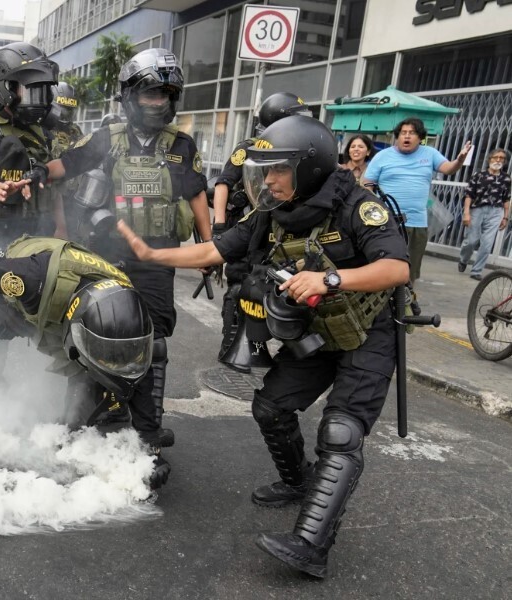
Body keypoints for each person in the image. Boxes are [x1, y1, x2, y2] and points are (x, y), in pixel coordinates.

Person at [117, 115, 411, 578]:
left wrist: (331, 278)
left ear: (309, 169)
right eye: (264, 170)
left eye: (277, 169)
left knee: (340, 431)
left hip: (369, 332)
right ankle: (298, 482)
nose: (267, 180)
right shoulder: (272, 211)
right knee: (271, 407)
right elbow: (218, 249)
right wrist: (156, 254)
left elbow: (396, 268)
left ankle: (310, 548)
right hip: (318, 333)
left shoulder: (359, 205)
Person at [41, 48, 212, 452]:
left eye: (165, 95)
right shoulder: (105, 139)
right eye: (150, 94)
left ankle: (147, 430)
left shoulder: (182, 146)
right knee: (93, 331)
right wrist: (33, 173)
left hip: (157, 259)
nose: (157, 103)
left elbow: (197, 194)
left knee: (152, 343)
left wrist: (209, 248)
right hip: (103, 258)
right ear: (130, 96)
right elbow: (65, 166)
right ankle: (76, 421)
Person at [0, 236, 170, 489]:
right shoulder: (31, 281)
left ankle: (79, 426)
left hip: (65, 316)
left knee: (75, 427)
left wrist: (150, 453)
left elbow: (138, 373)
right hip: (12, 303)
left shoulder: (129, 310)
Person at [212, 92, 312, 369]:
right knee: (239, 287)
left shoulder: (302, 149)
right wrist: (219, 226)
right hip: (249, 226)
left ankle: (270, 347)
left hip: (280, 230)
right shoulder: (249, 148)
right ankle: (237, 346)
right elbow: (222, 184)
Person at [0, 41, 59, 257]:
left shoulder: (42, 130)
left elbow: (52, 178)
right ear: (6, 88)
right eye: (30, 91)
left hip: (34, 223)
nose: (38, 100)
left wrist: (61, 227)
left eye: (42, 91)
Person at [363, 117, 471, 282]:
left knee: (409, 271)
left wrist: (460, 160)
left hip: (416, 223)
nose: (407, 136)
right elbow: (367, 185)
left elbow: (448, 169)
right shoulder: (382, 156)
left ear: (420, 137)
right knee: (381, 266)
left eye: (412, 133)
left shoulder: (430, 153)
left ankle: (404, 302)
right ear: (397, 136)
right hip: (386, 222)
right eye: (403, 133)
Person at [458, 148, 511, 280]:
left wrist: (505, 217)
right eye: (495, 157)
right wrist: (466, 213)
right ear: (489, 159)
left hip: (496, 211)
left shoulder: (506, 178)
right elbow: (469, 195)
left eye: (501, 158)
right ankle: (464, 259)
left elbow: (506, 199)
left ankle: (476, 271)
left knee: (487, 244)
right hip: (477, 210)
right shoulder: (479, 175)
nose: (498, 160)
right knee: (471, 241)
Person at [43, 81, 84, 239]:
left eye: (69, 112)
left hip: (73, 195)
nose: (65, 117)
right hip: (50, 196)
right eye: (62, 111)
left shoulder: (75, 131)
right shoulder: (43, 130)